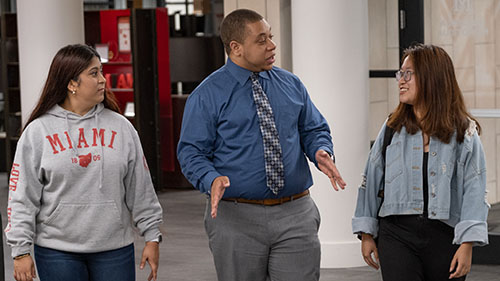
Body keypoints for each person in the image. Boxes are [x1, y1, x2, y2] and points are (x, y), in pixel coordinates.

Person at [177, 8, 346, 281]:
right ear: (236, 47)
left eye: (271, 37)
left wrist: (320, 150)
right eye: (261, 40)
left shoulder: (291, 84)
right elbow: (192, 152)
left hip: (295, 214)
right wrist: (211, 179)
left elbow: (312, 128)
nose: (271, 45)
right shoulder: (207, 95)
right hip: (236, 216)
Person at [4, 44, 163, 281]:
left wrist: (152, 235)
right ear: (71, 83)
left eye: (101, 71)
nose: (102, 80)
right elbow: (21, 196)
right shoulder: (38, 132)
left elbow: (140, 187)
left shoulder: (121, 128)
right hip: (57, 250)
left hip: (114, 249)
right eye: (93, 73)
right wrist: (20, 251)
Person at [352, 44, 489, 281]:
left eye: (408, 74)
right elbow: (371, 179)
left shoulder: (464, 131)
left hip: (446, 236)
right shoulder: (392, 127)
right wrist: (366, 233)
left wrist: (467, 244)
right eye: (399, 73)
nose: (400, 81)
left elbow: (474, 189)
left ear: (431, 78)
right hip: (396, 234)